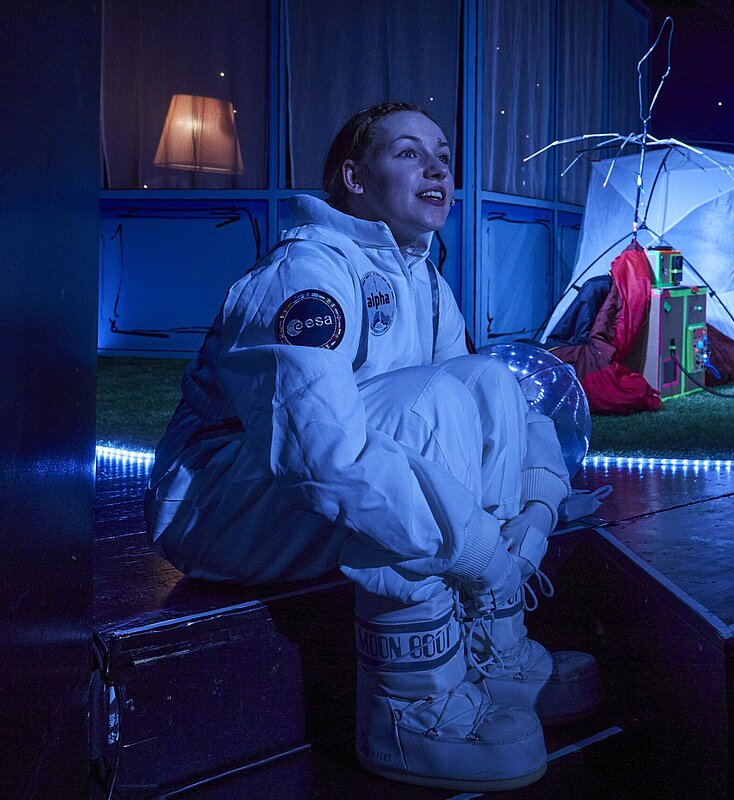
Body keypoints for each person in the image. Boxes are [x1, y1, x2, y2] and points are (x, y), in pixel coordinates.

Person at [144, 102, 599, 792]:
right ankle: (410, 707)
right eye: (409, 153)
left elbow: (490, 402)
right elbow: (319, 455)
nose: (437, 168)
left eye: (442, 155)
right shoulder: (305, 273)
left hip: (306, 500)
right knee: (431, 403)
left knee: (487, 381)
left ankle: (492, 652)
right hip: (219, 511)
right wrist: (479, 550)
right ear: (354, 178)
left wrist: (535, 516)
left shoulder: (425, 281)